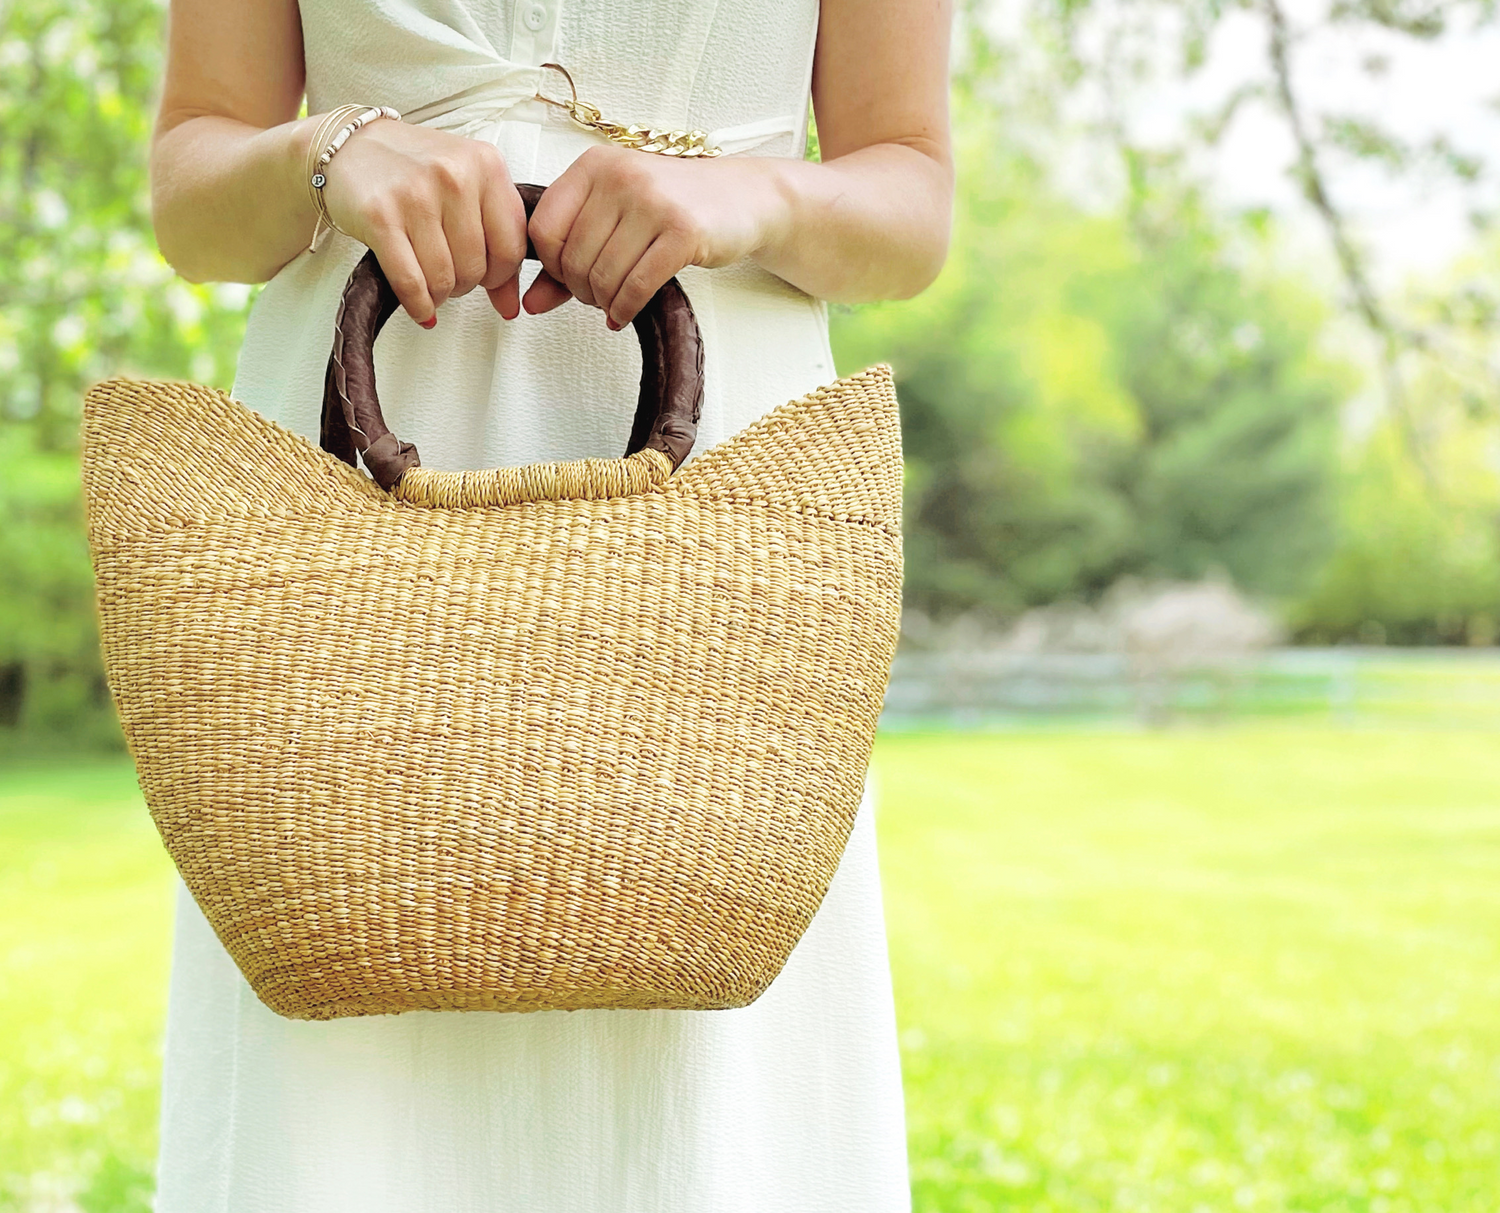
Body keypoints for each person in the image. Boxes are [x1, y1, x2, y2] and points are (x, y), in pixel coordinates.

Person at [147, 0, 953, 1208]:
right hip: (347, 480)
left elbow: (913, 204)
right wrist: (335, 152)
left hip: (714, 479)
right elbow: (192, 193)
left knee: (701, 1000)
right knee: (336, 982)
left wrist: (756, 197)